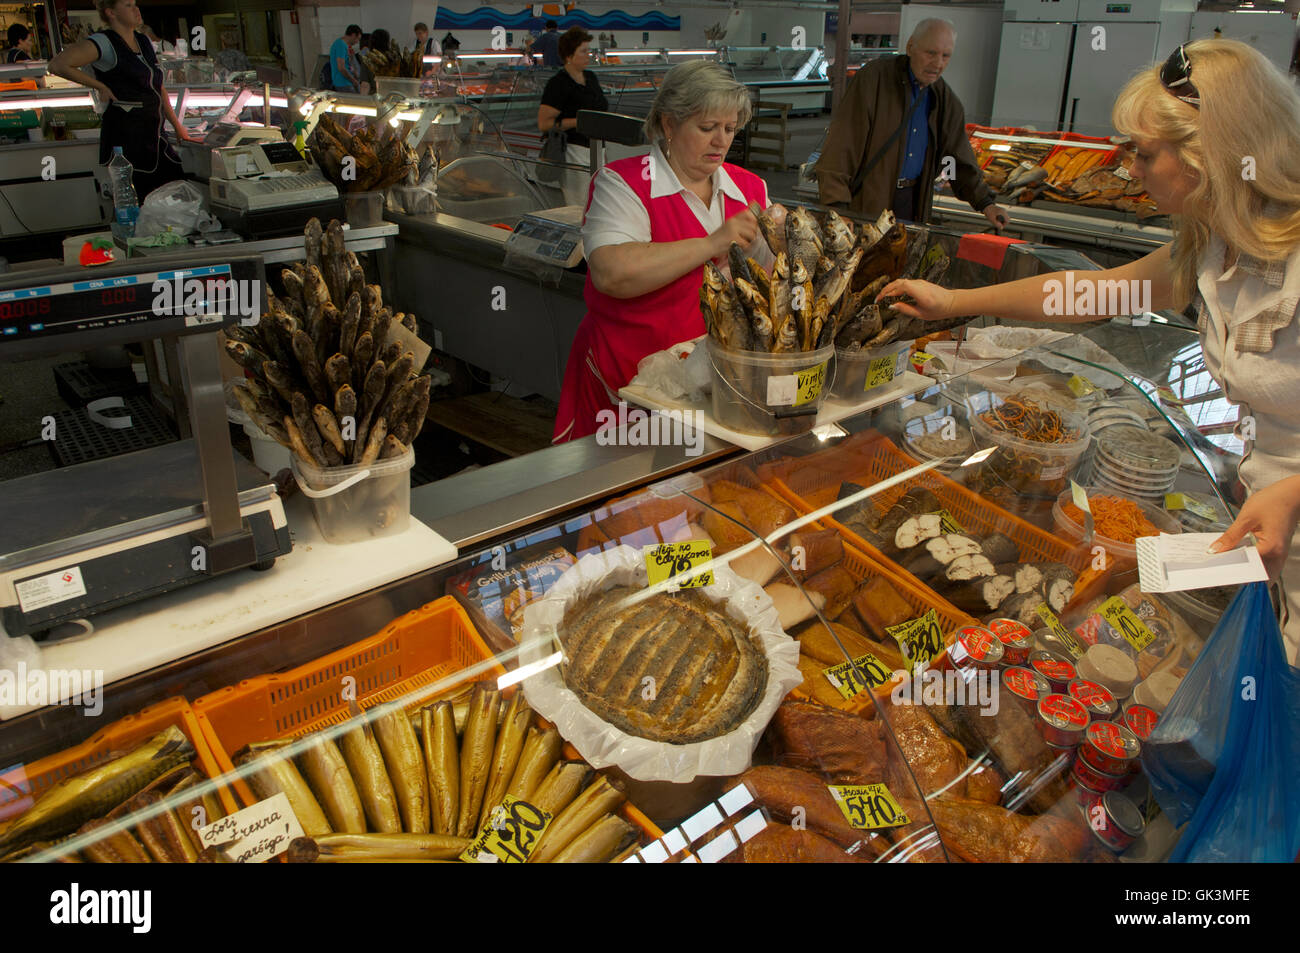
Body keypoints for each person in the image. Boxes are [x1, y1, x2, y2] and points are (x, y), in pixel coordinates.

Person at [877, 39, 1300, 663]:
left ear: (1210, 154)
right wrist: (952, 303)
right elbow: (1088, 293)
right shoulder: (1213, 245)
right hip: (1269, 525)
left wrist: (1292, 492)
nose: (1129, 169)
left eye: (1144, 153)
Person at [552, 60, 770, 443]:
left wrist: (781, 244)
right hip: (628, 383)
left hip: (713, 382)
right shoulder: (624, 183)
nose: (721, 141)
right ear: (669, 123)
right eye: (707, 128)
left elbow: (765, 279)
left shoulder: (750, 188)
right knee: (619, 494)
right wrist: (713, 242)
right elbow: (612, 273)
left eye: (730, 128)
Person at [816, 17, 1007, 229]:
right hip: (867, 204)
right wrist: (837, 207)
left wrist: (985, 203)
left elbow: (957, 159)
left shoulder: (943, 99)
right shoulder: (874, 80)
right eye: (931, 53)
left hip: (912, 204)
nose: (938, 63)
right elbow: (842, 148)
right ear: (910, 47)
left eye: (945, 56)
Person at [48, 0, 199, 199]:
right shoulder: (103, 42)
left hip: (155, 135)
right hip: (127, 139)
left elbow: (158, 87)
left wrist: (177, 126)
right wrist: (100, 85)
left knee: (176, 193)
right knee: (140, 200)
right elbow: (58, 65)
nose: (136, 9)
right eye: (128, 5)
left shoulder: (143, 41)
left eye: (135, 4)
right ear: (111, 12)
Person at [537, 27, 608, 206]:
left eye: (589, 51)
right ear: (569, 56)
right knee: (580, 205)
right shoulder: (558, 84)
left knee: (599, 202)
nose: (588, 55)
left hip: (597, 149)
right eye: (583, 51)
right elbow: (544, 124)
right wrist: (580, 122)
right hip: (574, 152)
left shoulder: (590, 77)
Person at [329, 24, 361, 93]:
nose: (357, 42)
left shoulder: (344, 45)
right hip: (343, 83)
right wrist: (353, 80)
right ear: (353, 35)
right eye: (357, 39)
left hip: (346, 82)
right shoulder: (341, 45)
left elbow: (347, 64)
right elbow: (341, 67)